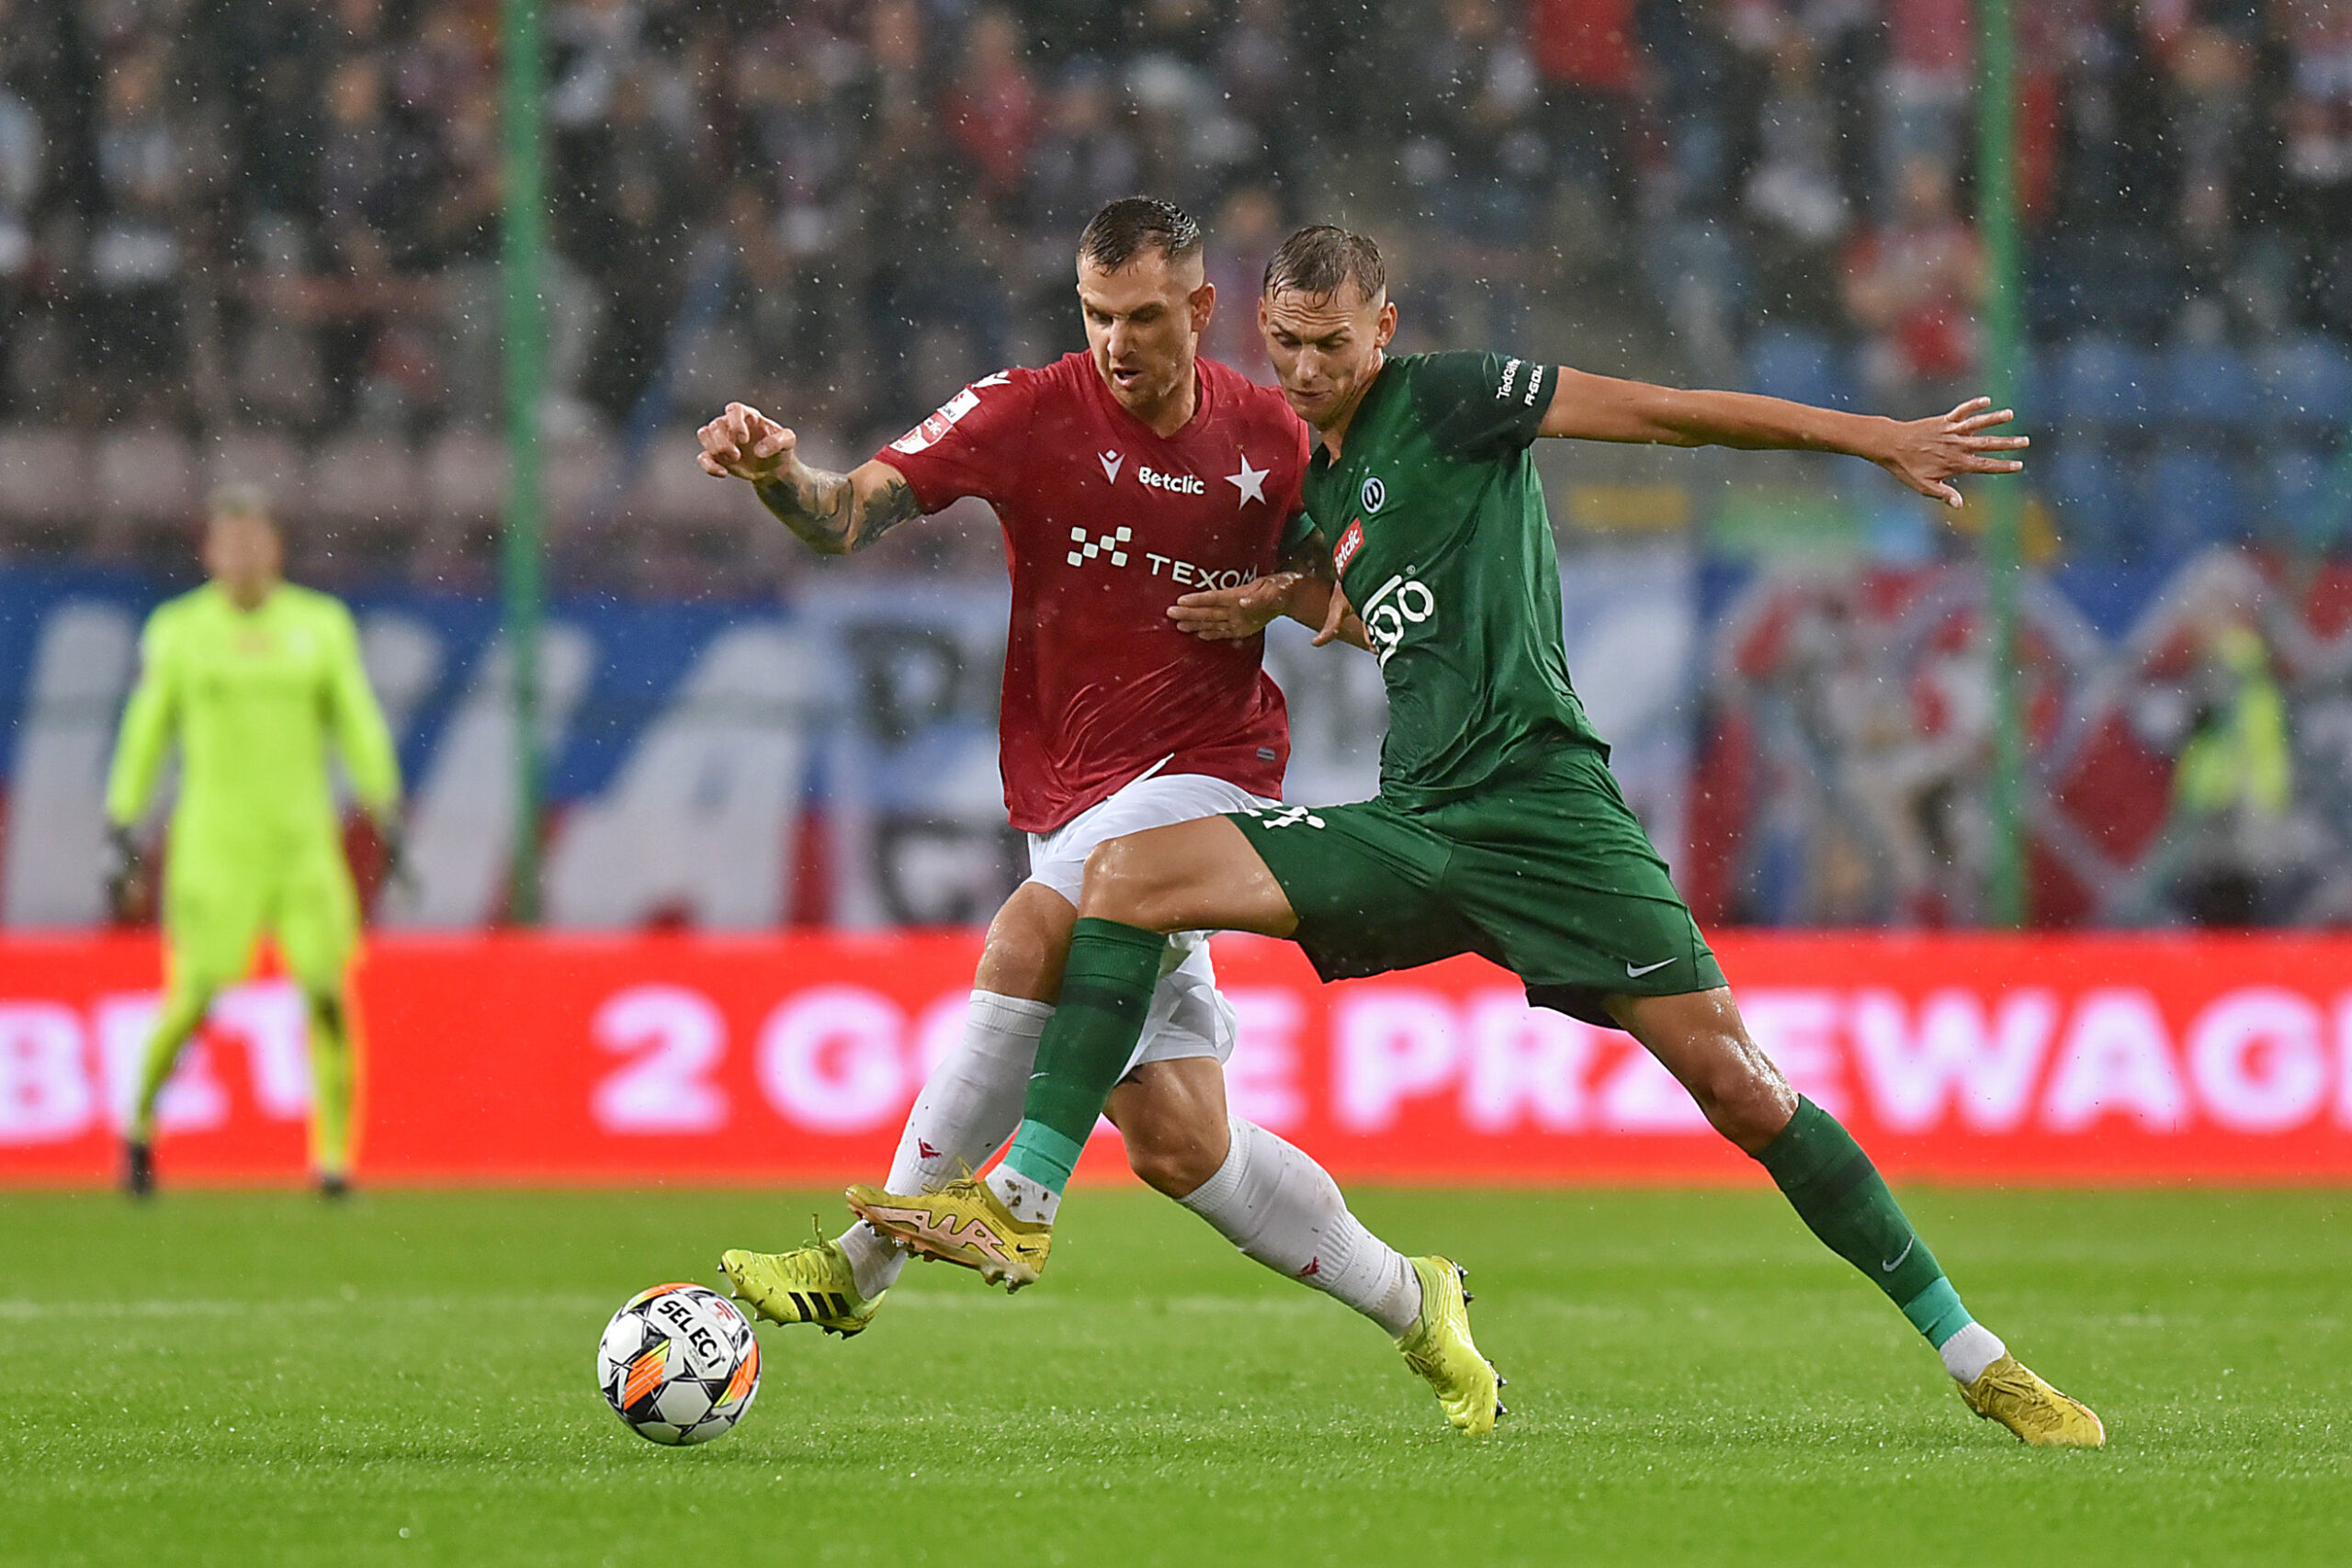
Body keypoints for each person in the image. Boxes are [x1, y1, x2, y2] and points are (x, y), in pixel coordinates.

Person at [850, 224, 2108, 1450]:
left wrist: (1871, 437)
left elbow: (1664, 415)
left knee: (1744, 1089)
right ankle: (1024, 1198)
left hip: (1549, 817)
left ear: (1383, 329)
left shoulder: (1453, 401)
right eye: (1287, 344)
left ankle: (1977, 1356)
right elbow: (1372, 612)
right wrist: (1290, 597)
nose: (1305, 370)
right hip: (1420, 820)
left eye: (1332, 344)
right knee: (1123, 873)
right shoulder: (1318, 487)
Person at [695, 198, 1502, 1435]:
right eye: (1096, 314)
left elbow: (1362, 602)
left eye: (1143, 316)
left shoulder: (1272, 435)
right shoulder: (1025, 410)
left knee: (1031, 929)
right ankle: (1415, 1296)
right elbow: (847, 511)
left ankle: (862, 1264)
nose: (1117, 341)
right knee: (1181, 1144)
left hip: (1212, 772)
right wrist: (775, 478)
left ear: (1202, 308)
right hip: (1066, 794)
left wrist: (1283, 595)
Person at [105, 486, 403, 1199]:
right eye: (229, 541)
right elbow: (147, 728)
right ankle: (139, 1127)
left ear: (276, 548)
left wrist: (383, 800)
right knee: (196, 995)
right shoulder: (179, 629)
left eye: (254, 540)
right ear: (209, 552)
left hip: (302, 845)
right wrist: (123, 815)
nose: (241, 554)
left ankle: (333, 1163)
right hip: (216, 846)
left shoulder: (320, 625)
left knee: (326, 992)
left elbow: (356, 717)